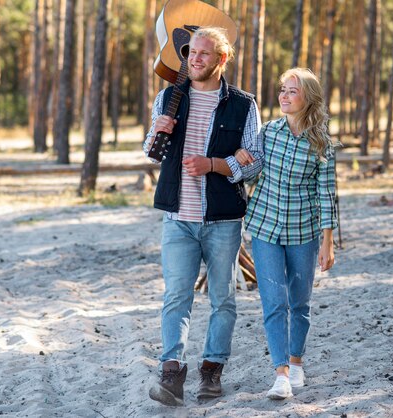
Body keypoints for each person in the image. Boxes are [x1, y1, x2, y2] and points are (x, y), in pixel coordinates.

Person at [144, 26, 262, 406]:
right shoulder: (168, 98)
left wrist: (213, 164)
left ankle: (211, 370)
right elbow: (153, 151)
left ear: (221, 59)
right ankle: (171, 371)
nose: (195, 59)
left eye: (203, 54)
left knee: (223, 298)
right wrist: (156, 134)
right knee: (176, 296)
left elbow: (254, 161)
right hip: (178, 216)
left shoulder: (244, 105)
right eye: (191, 52)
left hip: (223, 221)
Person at [235, 68, 338, 400]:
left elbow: (327, 194)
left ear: (307, 98)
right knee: (274, 301)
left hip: (303, 230)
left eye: (292, 91)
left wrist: (327, 241)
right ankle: (280, 373)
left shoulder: (322, 141)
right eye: (282, 90)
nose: (283, 95)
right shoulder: (268, 132)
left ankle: (296, 363)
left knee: (300, 302)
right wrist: (240, 157)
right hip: (265, 225)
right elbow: (250, 174)